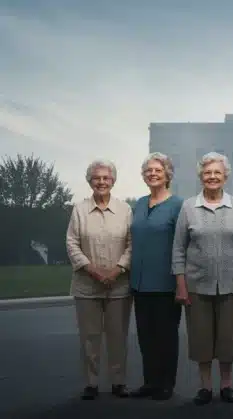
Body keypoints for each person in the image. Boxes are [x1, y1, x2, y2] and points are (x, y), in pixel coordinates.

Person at [172, 152, 233, 406]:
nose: (212, 177)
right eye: (207, 173)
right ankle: (205, 386)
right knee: (201, 338)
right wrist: (181, 285)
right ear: (201, 176)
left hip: (231, 284)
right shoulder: (188, 207)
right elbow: (178, 249)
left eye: (217, 172)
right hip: (197, 285)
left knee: (228, 338)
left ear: (225, 176)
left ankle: (227, 385)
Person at [65, 159, 133, 400]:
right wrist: (92, 269)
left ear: (113, 181)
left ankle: (118, 382)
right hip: (86, 285)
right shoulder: (79, 210)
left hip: (119, 286)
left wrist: (117, 269)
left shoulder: (125, 210)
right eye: (97, 178)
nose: (101, 182)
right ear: (90, 181)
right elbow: (72, 243)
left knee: (117, 337)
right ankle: (91, 383)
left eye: (106, 178)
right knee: (89, 338)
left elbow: (131, 244)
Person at [129, 153, 184, 401]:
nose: (152, 174)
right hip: (139, 282)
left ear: (167, 174)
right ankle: (149, 382)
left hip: (165, 282)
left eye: (157, 170)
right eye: (148, 170)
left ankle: (165, 384)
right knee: (145, 336)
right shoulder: (139, 204)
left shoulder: (178, 205)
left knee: (166, 337)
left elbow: (183, 245)